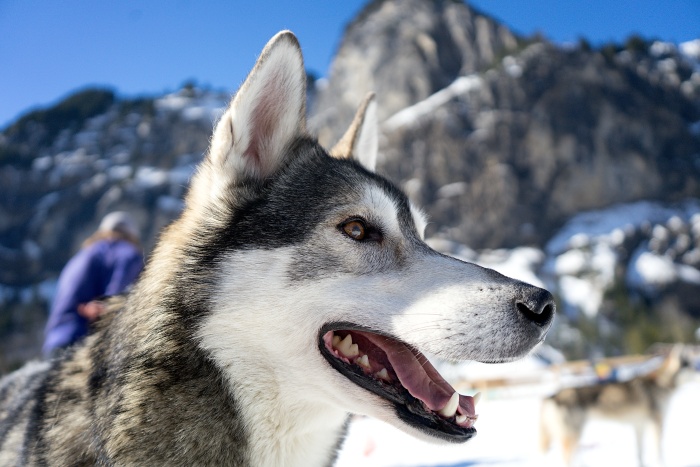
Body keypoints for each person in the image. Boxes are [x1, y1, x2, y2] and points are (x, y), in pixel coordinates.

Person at [42, 212, 144, 357]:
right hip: (82, 345)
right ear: (131, 234)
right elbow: (113, 302)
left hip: (54, 341)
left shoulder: (81, 256)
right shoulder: (126, 253)